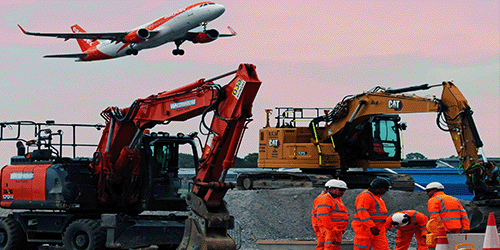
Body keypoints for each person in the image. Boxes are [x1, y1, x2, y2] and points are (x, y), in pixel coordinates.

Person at [351, 178, 391, 250]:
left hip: (377, 228)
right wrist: (371, 226)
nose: (386, 191)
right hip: (365, 228)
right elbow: (362, 212)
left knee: (383, 247)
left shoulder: (377, 197)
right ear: (379, 188)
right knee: (362, 247)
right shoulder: (366, 196)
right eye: (386, 189)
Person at [311, 179, 349, 250]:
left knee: (330, 246)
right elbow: (323, 216)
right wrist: (332, 229)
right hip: (329, 230)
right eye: (340, 190)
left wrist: (341, 228)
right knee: (330, 247)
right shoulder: (325, 199)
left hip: (334, 229)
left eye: (344, 190)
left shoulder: (335, 199)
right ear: (331, 189)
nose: (343, 192)